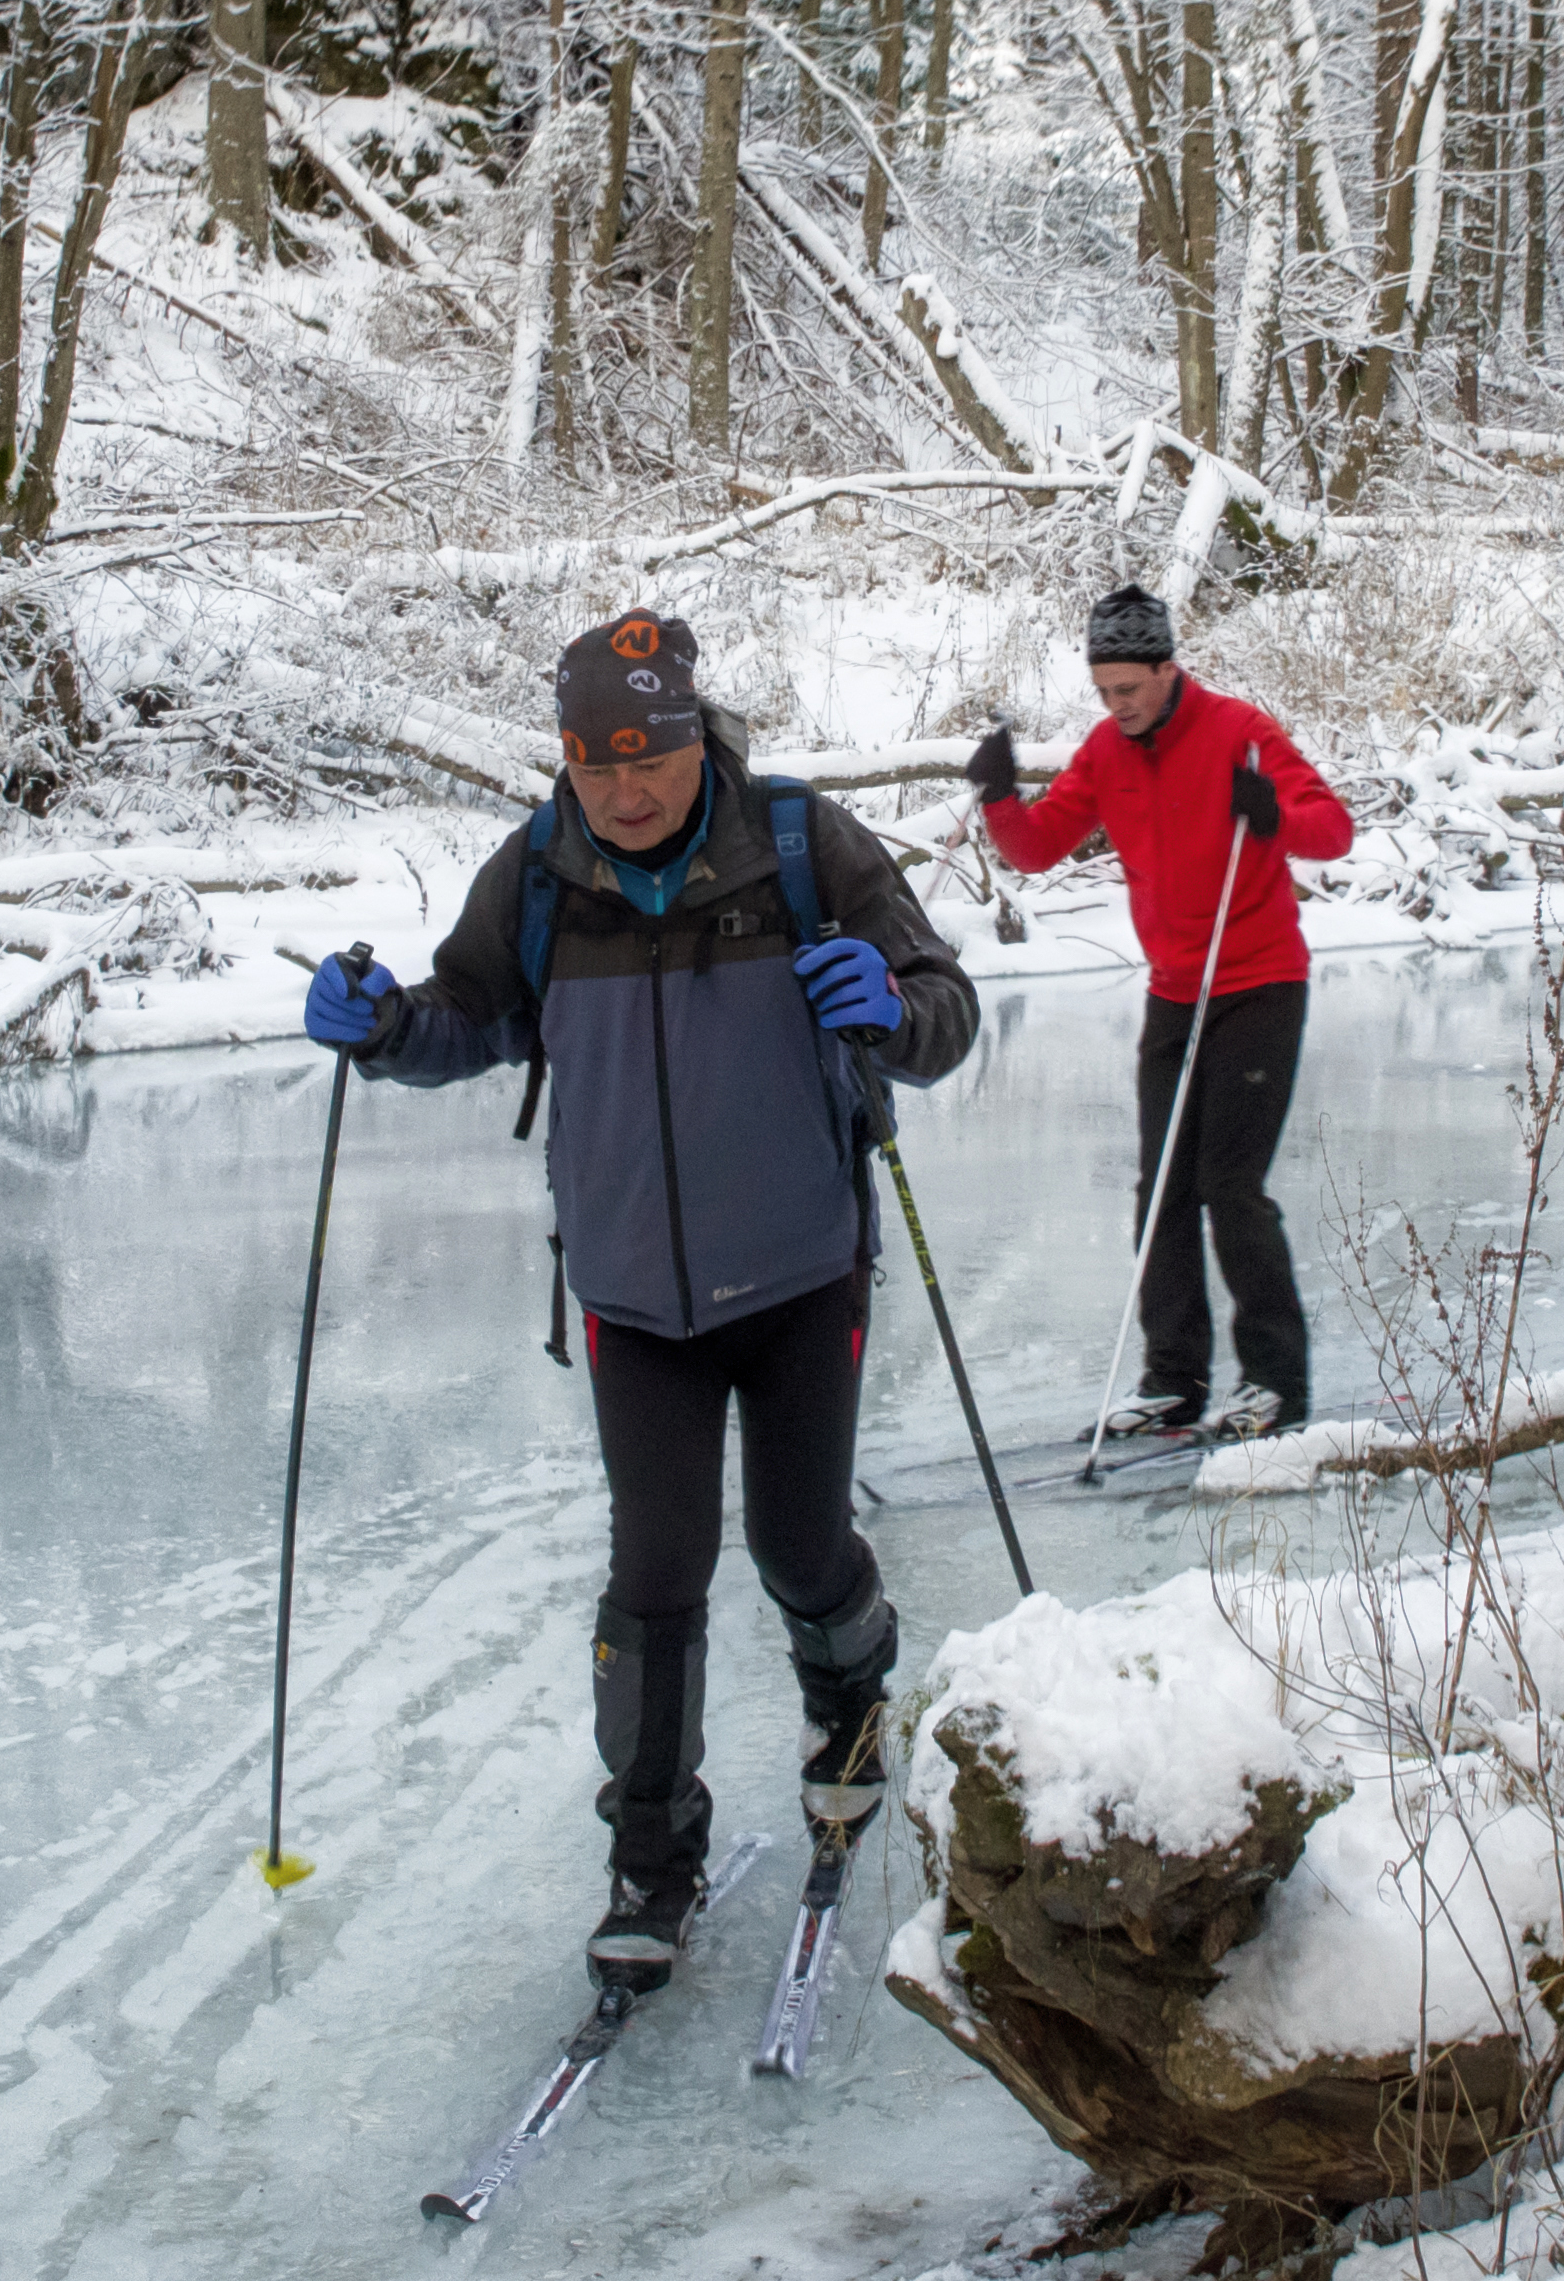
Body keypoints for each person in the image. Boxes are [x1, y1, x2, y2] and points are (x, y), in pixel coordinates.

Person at [304, 610, 982, 1987]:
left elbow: (943, 1007)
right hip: (629, 1296)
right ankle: (650, 1852)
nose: (620, 790)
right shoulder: (544, 874)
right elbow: (472, 1014)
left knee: (800, 1547)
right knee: (654, 1572)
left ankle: (846, 1702)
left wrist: (893, 1010)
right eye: (588, 760)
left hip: (798, 1271)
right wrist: (380, 1029)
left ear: (693, 737)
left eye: (646, 757)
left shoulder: (800, 846)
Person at [968, 586, 1353, 1443]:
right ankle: (1174, 1381)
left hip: (1257, 983)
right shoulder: (1106, 751)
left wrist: (1273, 812)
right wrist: (999, 793)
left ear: (1166, 667)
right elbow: (1036, 847)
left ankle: (1275, 1383)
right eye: (1104, 692)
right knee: (1162, 1192)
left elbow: (1334, 830)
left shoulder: (1239, 731)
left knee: (1229, 1185)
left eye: (1129, 689)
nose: (1117, 706)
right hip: (1175, 991)